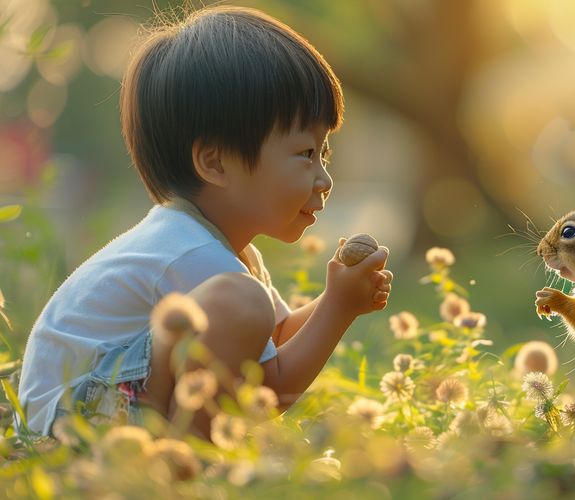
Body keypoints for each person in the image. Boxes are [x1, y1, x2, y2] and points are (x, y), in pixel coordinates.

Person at [16, 5, 392, 438]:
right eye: (306, 154)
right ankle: (188, 462)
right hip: (69, 426)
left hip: (88, 408)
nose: (325, 179)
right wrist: (339, 309)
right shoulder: (189, 251)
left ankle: (183, 455)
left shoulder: (217, 250)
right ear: (215, 163)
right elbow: (271, 388)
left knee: (245, 302)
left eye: (324, 154)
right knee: (243, 300)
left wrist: (339, 294)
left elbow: (277, 336)